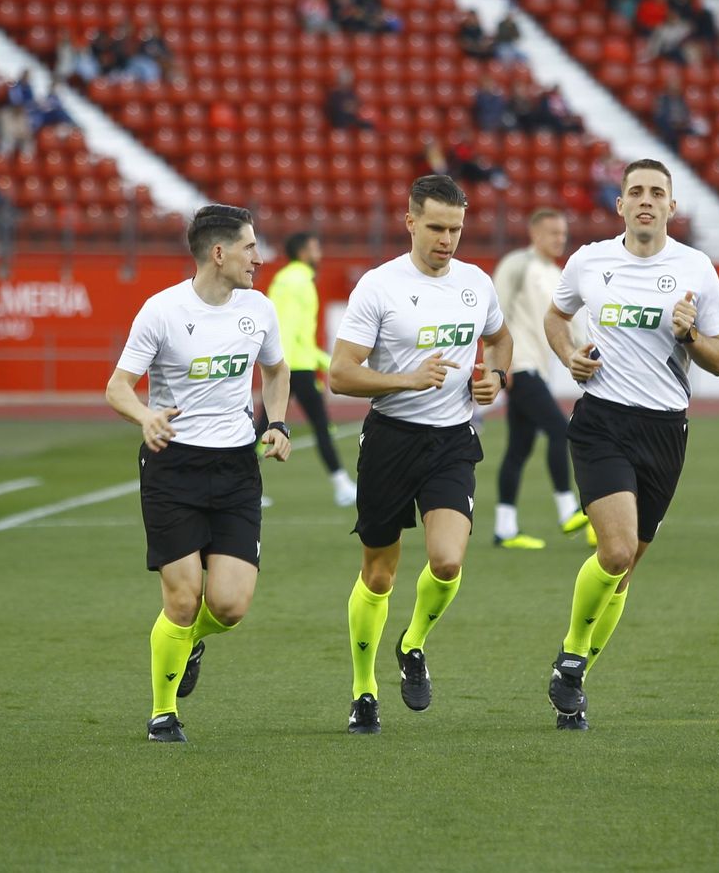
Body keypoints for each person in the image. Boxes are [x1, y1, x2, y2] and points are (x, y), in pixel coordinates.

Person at [540, 159, 719, 731]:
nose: (646, 200)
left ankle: (572, 680)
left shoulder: (696, 268)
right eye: (636, 192)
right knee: (617, 551)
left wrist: (690, 334)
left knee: (624, 573)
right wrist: (568, 355)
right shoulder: (590, 261)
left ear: (672, 206)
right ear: (620, 204)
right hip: (602, 422)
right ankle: (572, 657)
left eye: (657, 192)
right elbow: (556, 317)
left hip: (665, 431)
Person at [328, 175, 512, 735]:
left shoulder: (476, 283)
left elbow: (501, 339)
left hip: (452, 441)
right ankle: (363, 689)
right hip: (391, 440)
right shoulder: (379, 287)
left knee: (448, 561)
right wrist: (406, 380)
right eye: (435, 227)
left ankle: (412, 644)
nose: (447, 240)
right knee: (379, 575)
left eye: (455, 229)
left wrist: (497, 377)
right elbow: (340, 374)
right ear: (410, 222)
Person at [104, 205, 292, 744]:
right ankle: (163, 714)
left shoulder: (259, 309)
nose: (258, 258)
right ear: (219, 253)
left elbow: (277, 370)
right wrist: (146, 417)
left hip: (236, 468)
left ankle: (187, 643)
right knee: (183, 599)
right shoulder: (162, 311)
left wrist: (277, 423)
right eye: (250, 247)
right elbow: (117, 387)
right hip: (174, 465)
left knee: (229, 607)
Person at [490, 209, 591, 550]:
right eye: (553, 233)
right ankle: (567, 509)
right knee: (560, 430)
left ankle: (505, 529)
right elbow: (495, 315)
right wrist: (499, 366)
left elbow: (570, 324)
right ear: (534, 234)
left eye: (563, 233)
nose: (560, 239)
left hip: (538, 369)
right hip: (520, 367)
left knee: (518, 449)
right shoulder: (517, 265)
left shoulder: (558, 275)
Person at [263, 232, 357, 507]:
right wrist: (296, 366)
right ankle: (342, 486)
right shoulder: (300, 282)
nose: (319, 253)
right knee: (319, 425)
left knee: (264, 429)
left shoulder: (284, 279)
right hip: (295, 367)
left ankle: (239, 484)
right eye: (315, 248)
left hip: (288, 364)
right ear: (303, 252)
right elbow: (290, 330)